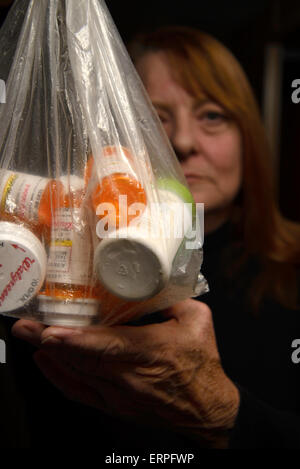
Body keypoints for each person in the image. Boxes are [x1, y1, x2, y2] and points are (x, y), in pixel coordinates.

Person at [10, 26, 300, 449]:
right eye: (154, 118)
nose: (182, 142)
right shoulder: (61, 274)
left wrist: (223, 414)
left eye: (212, 116)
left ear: (248, 137)